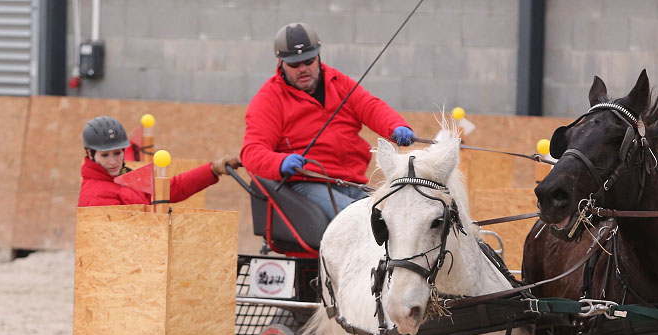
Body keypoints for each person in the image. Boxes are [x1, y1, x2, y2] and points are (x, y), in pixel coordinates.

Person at [240, 22, 416, 220]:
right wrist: (280, 162)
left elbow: (370, 107)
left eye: (308, 61)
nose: (303, 69)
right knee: (359, 218)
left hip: (351, 182)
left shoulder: (338, 82)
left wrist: (397, 126)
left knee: (397, 217)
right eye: (294, 64)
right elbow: (251, 152)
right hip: (306, 184)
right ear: (281, 63)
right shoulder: (268, 99)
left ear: (318, 56)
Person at [78, 115, 241, 207]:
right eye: (105, 156)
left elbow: (170, 189)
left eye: (117, 153)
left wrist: (212, 169)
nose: (113, 161)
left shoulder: (126, 179)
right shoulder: (96, 196)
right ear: (90, 154)